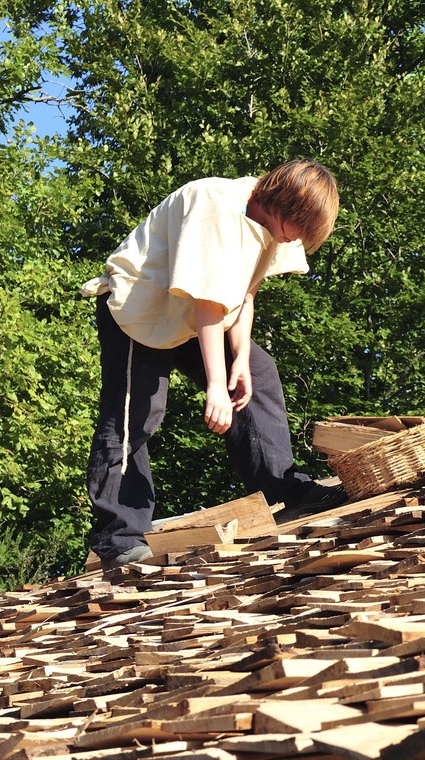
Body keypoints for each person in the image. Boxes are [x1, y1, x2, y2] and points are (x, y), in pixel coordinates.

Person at [79, 159, 345, 569]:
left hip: (191, 318)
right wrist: (216, 386)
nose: (297, 240)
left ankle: (282, 487)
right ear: (283, 206)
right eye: (298, 229)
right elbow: (206, 303)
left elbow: (245, 295)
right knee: (135, 415)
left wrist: (238, 360)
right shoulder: (216, 205)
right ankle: (120, 537)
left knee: (258, 370)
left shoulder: (274, 230)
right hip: (140, 310)